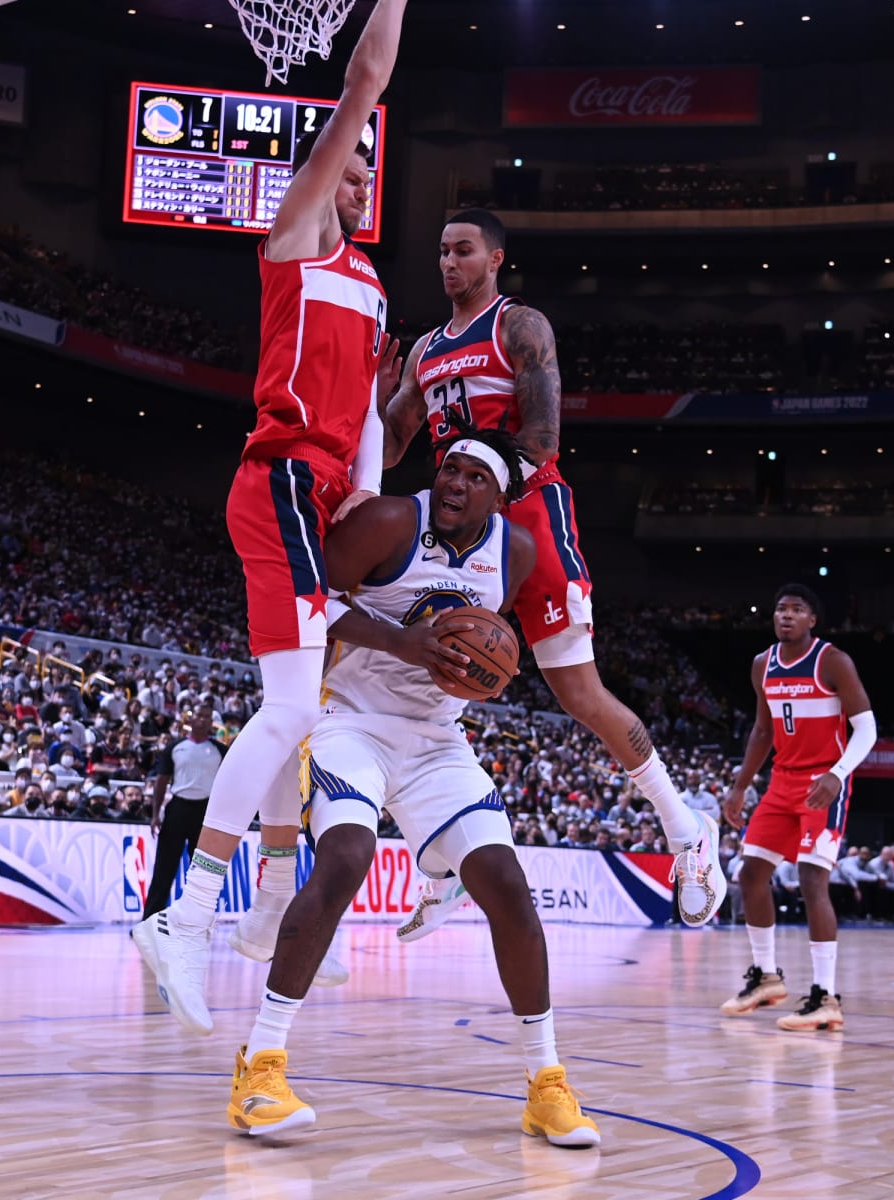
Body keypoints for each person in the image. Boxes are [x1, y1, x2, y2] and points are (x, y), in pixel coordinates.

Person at [133, 0, 408, 1037]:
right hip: (281, 479)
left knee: (309, 710)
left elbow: (373, 439)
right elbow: (366, 80)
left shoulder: (373, 287)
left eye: (366, 171)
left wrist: (381, 519)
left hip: (331, 498)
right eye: (347, 162)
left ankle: (256, 910)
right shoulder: (294, 236)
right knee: (293, 710)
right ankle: (189, 915)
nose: (359, 174)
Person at [226, 432, 599, 1148]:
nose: (455, 484)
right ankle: (260, 1069)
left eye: (473, 477)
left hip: (436, 738)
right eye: (448, 470)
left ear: (498, 495)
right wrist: (403, 642)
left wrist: (475, 665)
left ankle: (546, 1084)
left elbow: (486, 636)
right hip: (348, 721)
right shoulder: (391, 521)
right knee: (344, 860)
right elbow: (304, 598)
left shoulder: (514, 552)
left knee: (506, 884)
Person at [381, 208, 724, 938]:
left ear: (495, 257)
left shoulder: (519, 326)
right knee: (437, 676)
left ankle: (687, 831)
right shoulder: (422, 352)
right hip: (459, 522)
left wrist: (481, 490)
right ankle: (441, 867)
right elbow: (386, 450)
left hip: (528, 512)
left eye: (463, 250)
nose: (449, 262)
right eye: (441, 250)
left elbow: (542, 435)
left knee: (580, 693)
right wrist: (366, 397)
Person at [719, 584, 875, 1032]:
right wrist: (739, 786)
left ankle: (826, 997)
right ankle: (766, 977)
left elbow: (867, 729)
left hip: (824, 780)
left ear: (812, 620)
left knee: (811, 878)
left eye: (796, 609)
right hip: (782, 783)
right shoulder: (761, 665)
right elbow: (763, 731)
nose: (785, 615)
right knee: (750, 873)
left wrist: (837, 774)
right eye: (780, 608)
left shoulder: (833, 661)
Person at [142, 710, 227, 917]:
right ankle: (149, 920)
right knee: (164, 868)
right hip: (178, 809)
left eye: (207, 717)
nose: (204, 719)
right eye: (200, 716)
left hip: (206, 813)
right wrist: (155, 814)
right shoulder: (175, 747)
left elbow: (228, 783)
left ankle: (198, 920)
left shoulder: (219, 750)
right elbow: (161, 781)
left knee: (201, 871)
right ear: (190, 720)